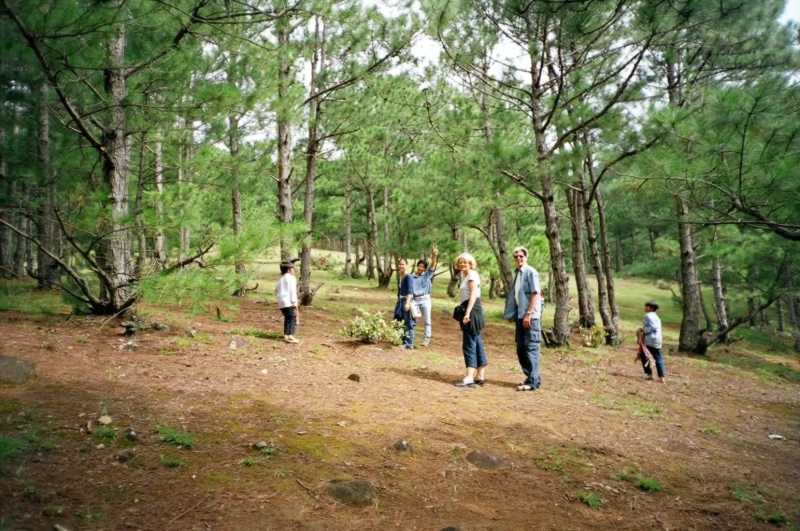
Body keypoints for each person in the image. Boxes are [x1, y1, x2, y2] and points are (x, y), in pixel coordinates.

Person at [504, 246, 544, 391]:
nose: (518, 259)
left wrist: (529, 313)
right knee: (521, 348)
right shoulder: (518, 273)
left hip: (530, 317)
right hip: (520, 316)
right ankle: (532, 377)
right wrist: (512, 314)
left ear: (526, 257)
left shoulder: (530, 272)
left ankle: (532, 382)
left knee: (531, 348)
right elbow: (517, 297)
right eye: (516, 257)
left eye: (521, 256)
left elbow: (535, 294)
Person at [454, 252, 487, 387]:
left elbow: (473, 294)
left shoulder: (472, 275)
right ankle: (480, 375)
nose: (462, 264)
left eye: (465, 262)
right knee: (477, 342)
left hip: (471, 309)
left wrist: (467, 313)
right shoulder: (468, 275)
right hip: (472, 308)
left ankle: (469, 376)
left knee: (469, 343)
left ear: (470, 263)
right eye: (460, 262)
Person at [411, 245, 439, 347]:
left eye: (422, 267)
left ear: (425, 268)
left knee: (427, 321)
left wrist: (434, 256)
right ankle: (410, 337)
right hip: (414, 300)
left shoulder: (427, 275)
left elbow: (432, 266)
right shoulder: (412, 277)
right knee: (411, 319)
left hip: (425, 300)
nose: (420, 268)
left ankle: (426, 339)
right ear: (417, 266)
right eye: (419, 266)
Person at [638, 300, 665, 383]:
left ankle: (650, 374)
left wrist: (643, 331)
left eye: (647, 306)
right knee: (658, 358)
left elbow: (653, 327)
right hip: (657, 339)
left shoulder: (648, 315)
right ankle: (662, 377)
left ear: (651, 308)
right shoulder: (656, 316)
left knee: (643, 355)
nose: (645, 308)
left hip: (650, 340)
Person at [274, 260, 300, 344]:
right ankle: (290, 335)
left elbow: (275, 291)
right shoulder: (291, 278)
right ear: (289, 270)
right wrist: (295, 303)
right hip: (288, 301)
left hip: (281, 301)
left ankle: (286, 334)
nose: (294, 271)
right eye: (293, 269)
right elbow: (292, 291)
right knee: (291, 318)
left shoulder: (280, 279)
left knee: (287, 318)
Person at [394, 258, 416, 349]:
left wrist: (407, 303)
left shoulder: (408, 277)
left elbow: (410, 291)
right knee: (399, 321)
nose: (401, 266)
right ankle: (403, 341)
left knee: (408, 322)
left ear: (406, 265)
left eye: (403, 264)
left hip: (407, 301)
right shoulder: (400, 277)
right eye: (400, 264)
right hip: (400, 301)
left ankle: (409, 343)